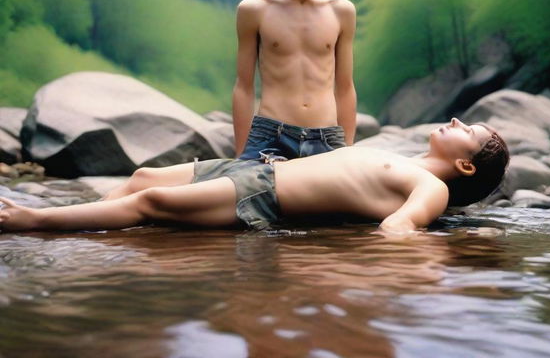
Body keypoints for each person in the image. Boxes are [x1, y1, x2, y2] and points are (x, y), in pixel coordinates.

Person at [0, 118, 509, 235]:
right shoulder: (404, 157)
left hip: (265, 195)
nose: (459, 121)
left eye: (470, 131)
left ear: (466, 164)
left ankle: (34, 220)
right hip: (260, 170)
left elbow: (399, 230)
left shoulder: (434, 187)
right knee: (142, 176)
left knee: (151, 202)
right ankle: (87, 233)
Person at [232, 0, 356, 159]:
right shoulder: (254, 9)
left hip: (327, 137)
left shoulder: (341, 11)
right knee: (246, 196)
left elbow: (345, 88)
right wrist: (241, 152)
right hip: (269, 136)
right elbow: (244, 87)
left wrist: (349, 150)